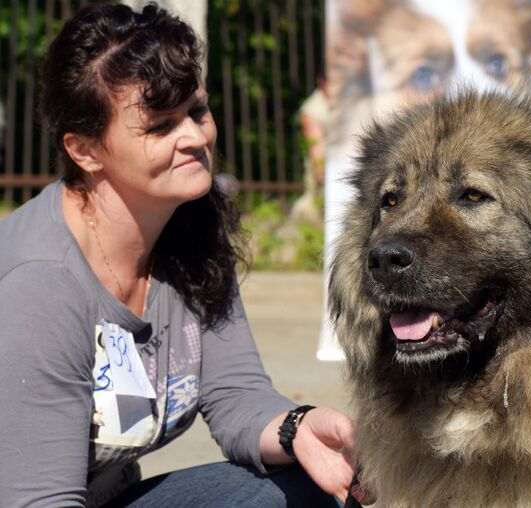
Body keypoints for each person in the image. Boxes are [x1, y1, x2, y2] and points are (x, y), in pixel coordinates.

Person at [0, 3, 358, 507]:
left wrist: (297, 428)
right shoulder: (36, 285)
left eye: (196, 111)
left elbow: (235, 396)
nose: (194, 137)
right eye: (160, 126)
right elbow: (39, 499)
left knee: (305, 485)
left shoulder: (188, 225)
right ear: (85, 150)